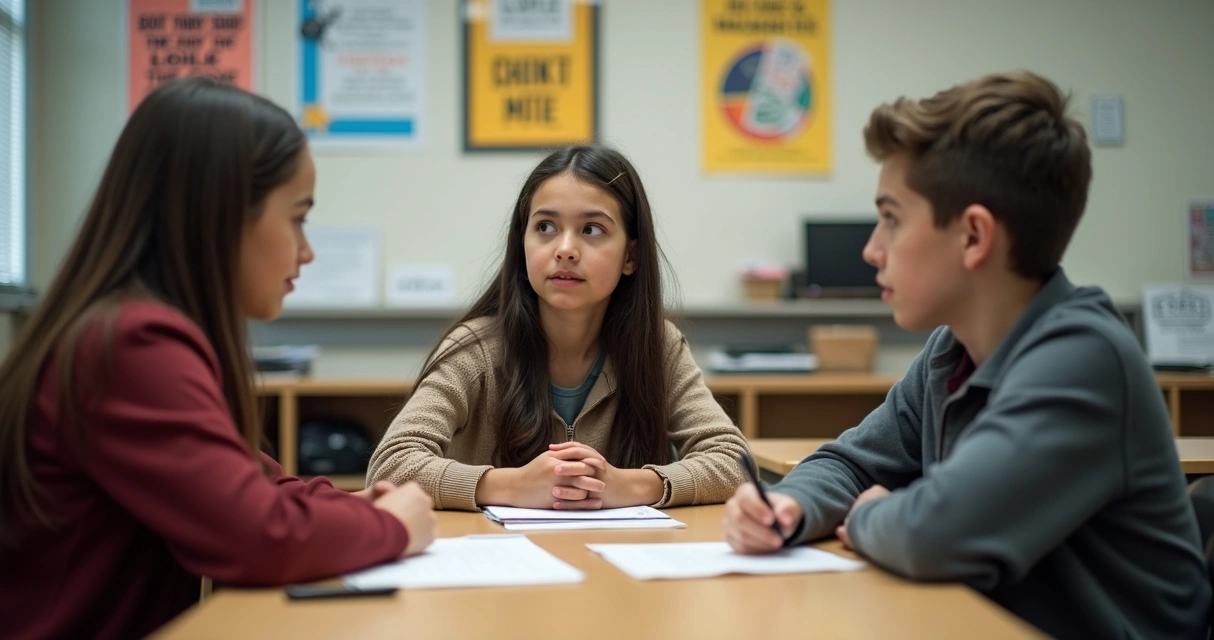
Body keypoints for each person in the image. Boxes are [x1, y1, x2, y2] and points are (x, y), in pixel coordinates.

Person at [723, 70, 1211, 639]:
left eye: (891, 218)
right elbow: (850, 464)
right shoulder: (950, 351)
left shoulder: (1085, 359)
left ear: (974, 237)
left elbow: (935, 535)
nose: (871, 249)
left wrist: (867, 514)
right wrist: (793, 509)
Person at [0, 78, 436, 640]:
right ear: (223, 214)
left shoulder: (127, 329)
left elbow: (259, 487)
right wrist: (388, 528)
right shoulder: (132, 343)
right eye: (297, 217)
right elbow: (257, 534)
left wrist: (363, 511)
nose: (307, 251)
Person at [367, 144, 749, 511]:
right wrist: (512, 485)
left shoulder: (658, 345)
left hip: (618, 563)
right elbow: (390, 468)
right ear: (523, 244)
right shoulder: (476, 348)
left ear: (630, 255)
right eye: (546, 226)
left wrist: (626, 485)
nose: (565, 249)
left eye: (592, 230)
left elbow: (734, 463)